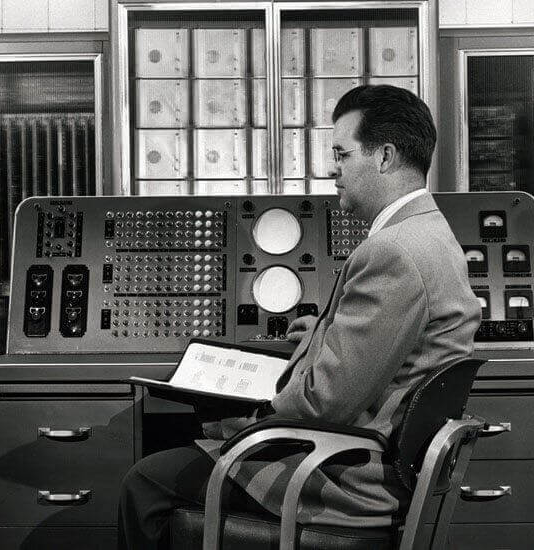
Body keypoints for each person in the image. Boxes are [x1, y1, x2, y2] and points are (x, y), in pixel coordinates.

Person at [117, 84, 481, 549]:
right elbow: (395, 342)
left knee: (146, 481)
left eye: (342, 154)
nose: (334, 169)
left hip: (347, 481)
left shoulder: (392, 252)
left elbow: (320, 403)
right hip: (381, 464)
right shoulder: (430, 232)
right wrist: (325, 330)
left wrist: (245, 418)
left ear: (385, 156)